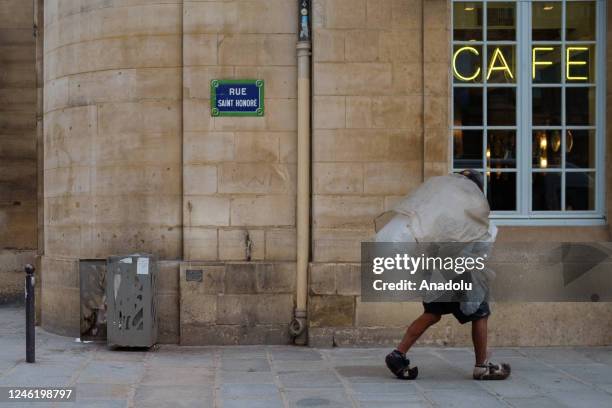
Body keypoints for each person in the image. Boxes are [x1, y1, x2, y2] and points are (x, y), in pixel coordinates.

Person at [380, 170, 511, 381]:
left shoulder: (443, 209)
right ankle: (481, 366)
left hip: (436, 271)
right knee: (480, 313)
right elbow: (477, 245)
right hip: (461, 273)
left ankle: (398, 354)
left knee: (432, 314)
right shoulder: (471, 211)